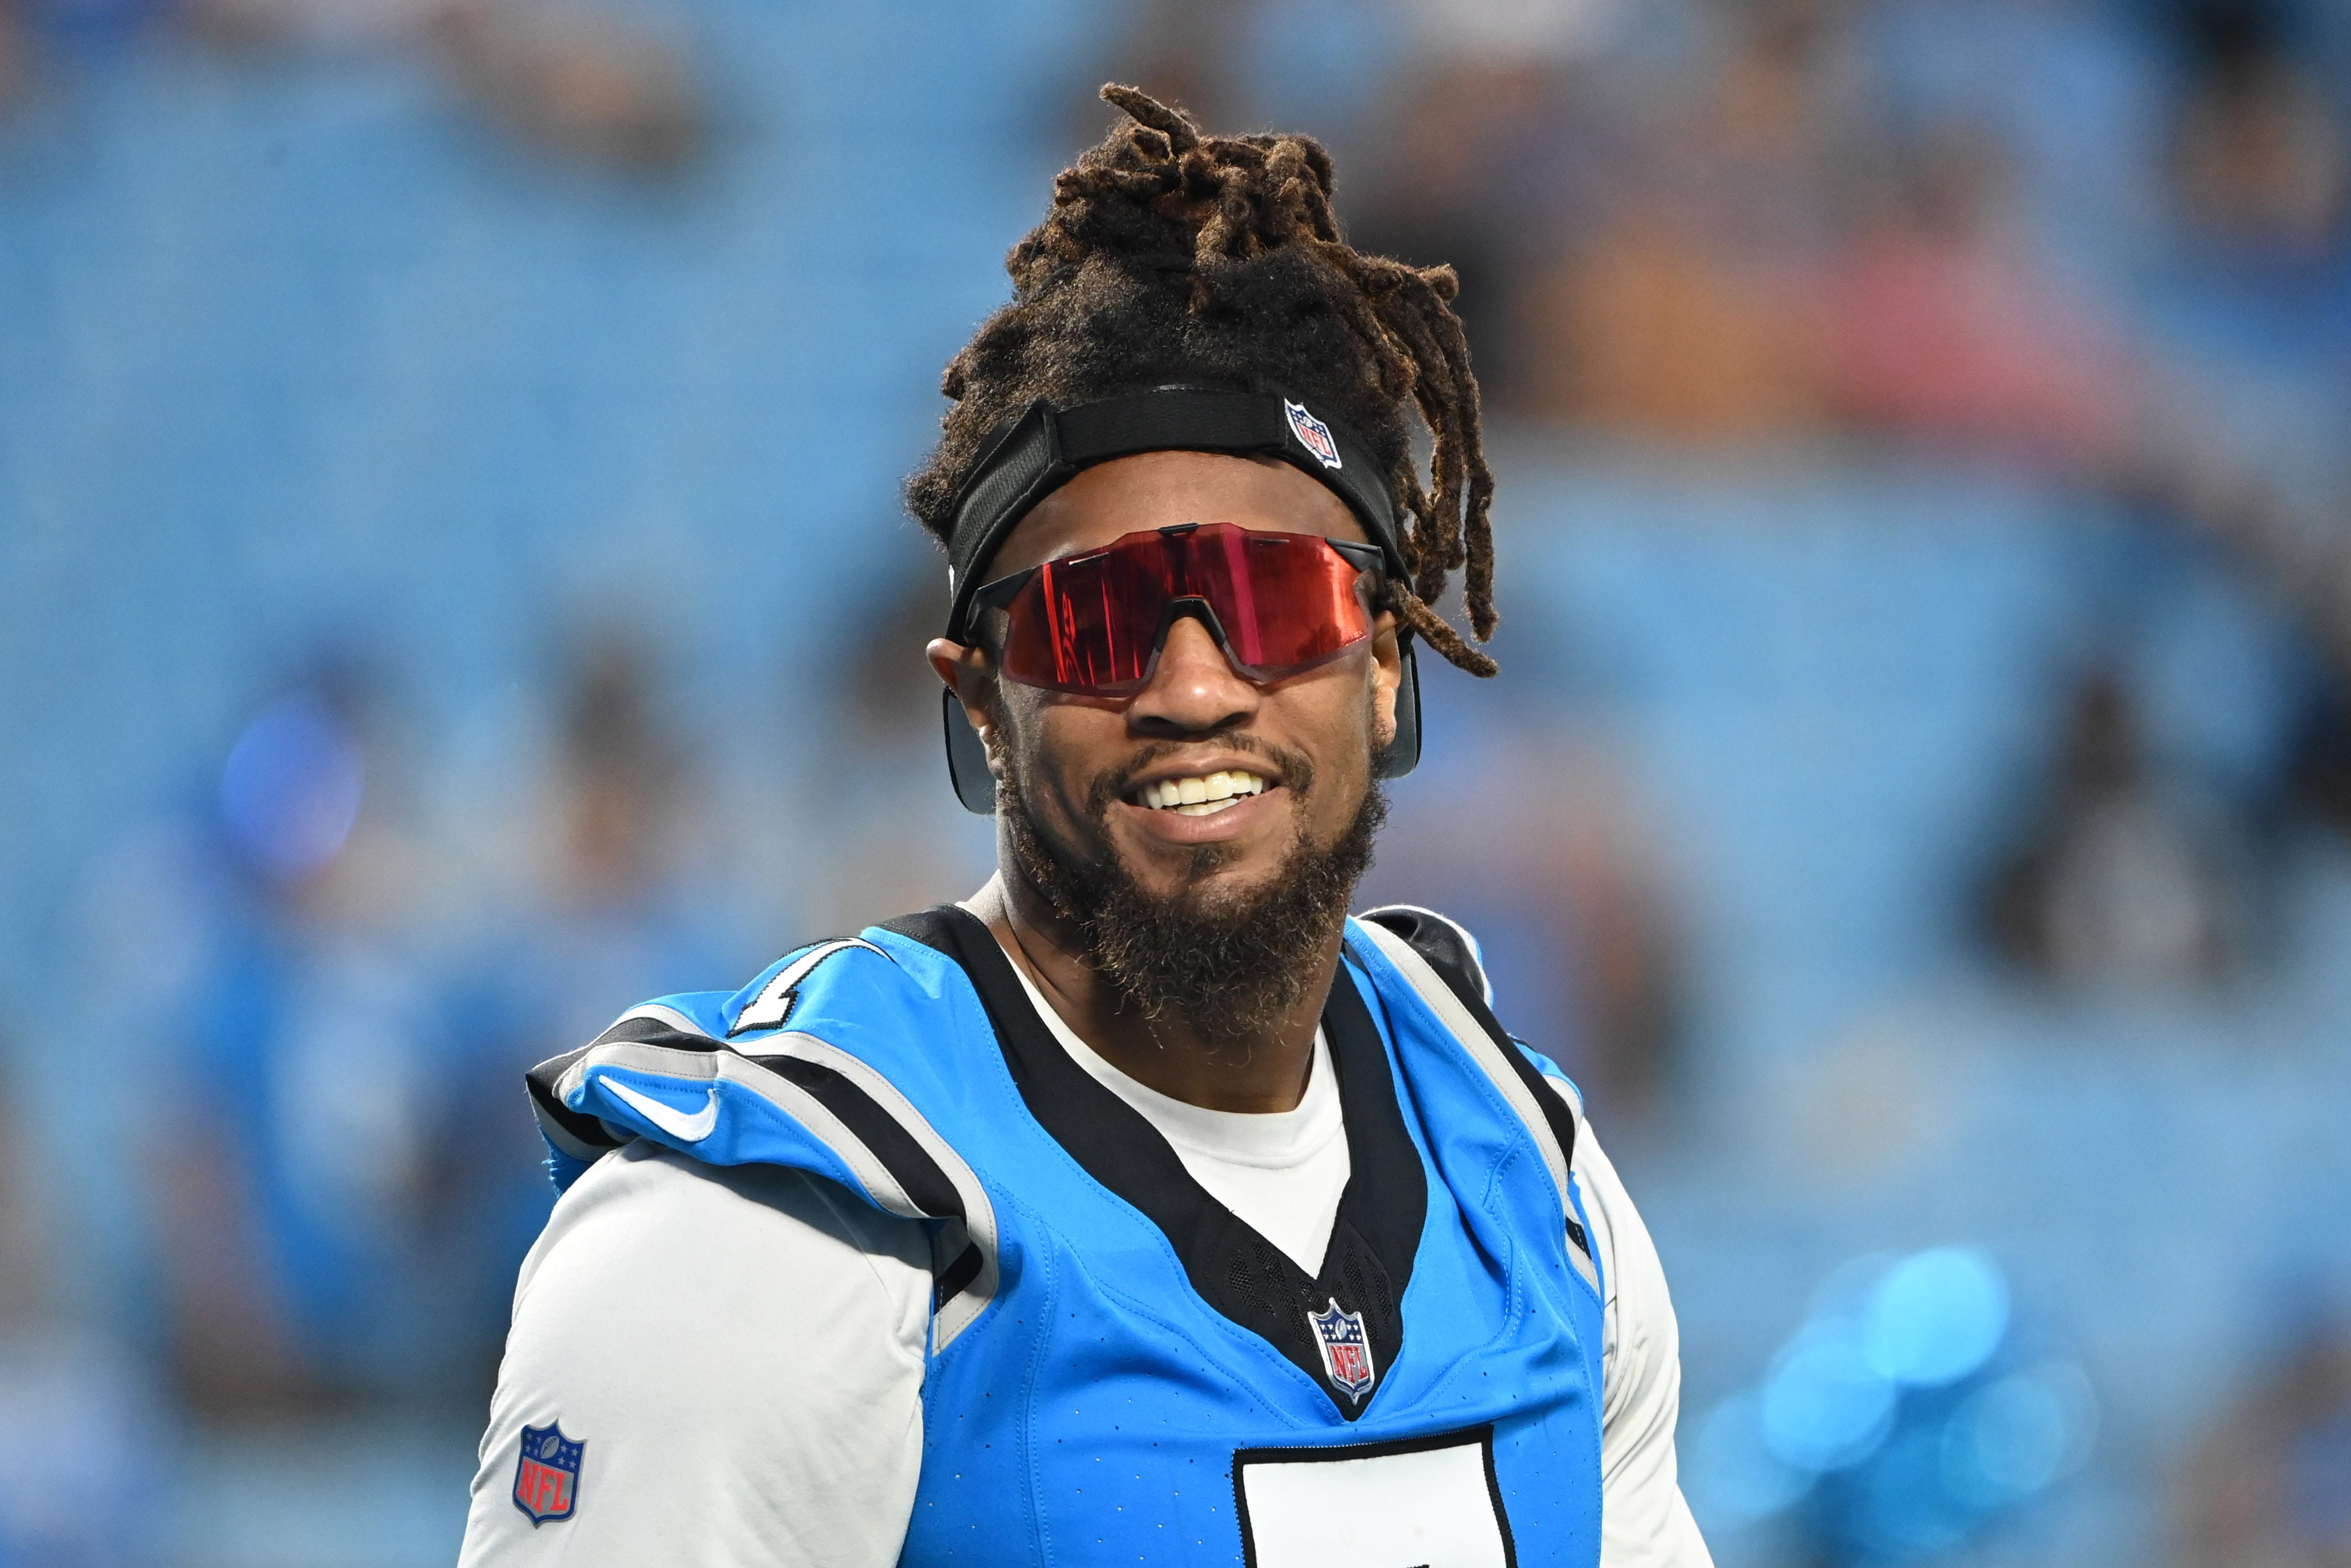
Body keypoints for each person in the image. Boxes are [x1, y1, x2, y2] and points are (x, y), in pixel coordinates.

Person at [458, 85, 1711, 1567]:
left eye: (1274, 602)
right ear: (980, 699)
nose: (1195, 684)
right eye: (1095, 620)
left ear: (1381, 662)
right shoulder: (772, 1213)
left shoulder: (1525, 1156)